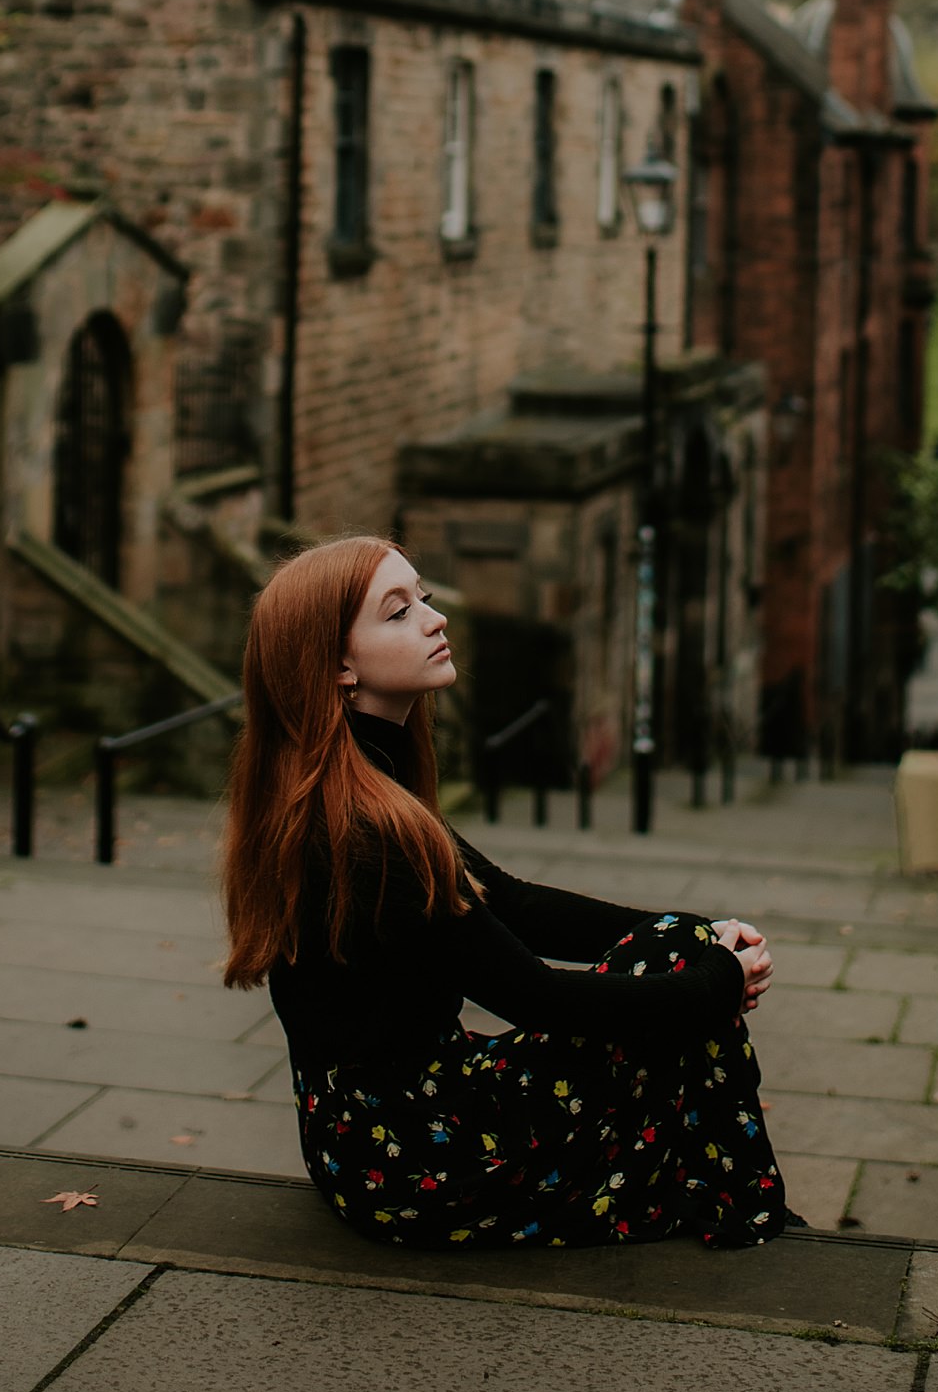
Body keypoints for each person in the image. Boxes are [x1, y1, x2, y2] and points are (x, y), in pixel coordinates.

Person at [222, 532, 793, 1251]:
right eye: (397, 612)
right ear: (338, 664)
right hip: (418, 1161)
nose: (435, 619)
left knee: (679, 948)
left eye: (423, 598)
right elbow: (537, 997)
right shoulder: (368, 829)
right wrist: (713, 981)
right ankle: (730, 1195)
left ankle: (720, 1187)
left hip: (365, 1146)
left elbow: (509, 901)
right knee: (683, 982)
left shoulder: (352, 781)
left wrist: (699, 934)